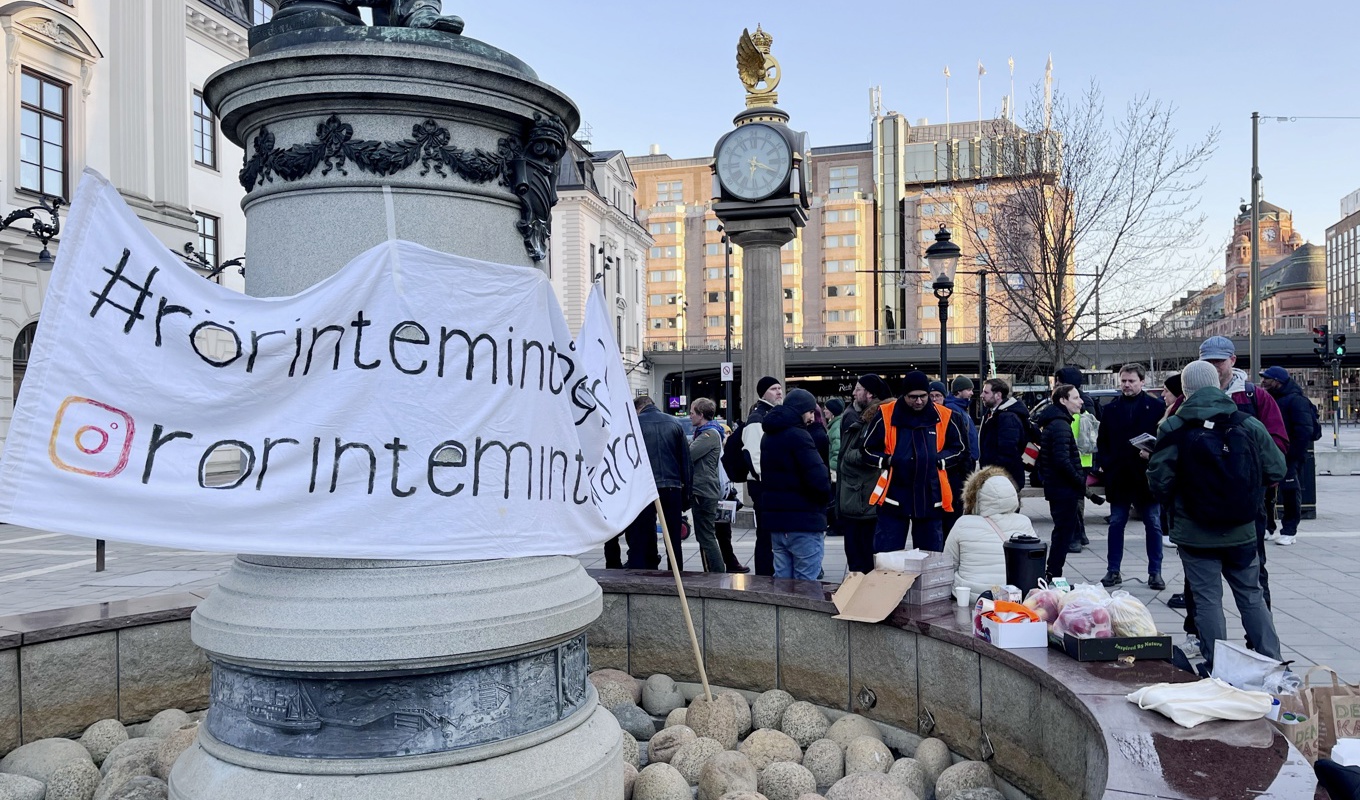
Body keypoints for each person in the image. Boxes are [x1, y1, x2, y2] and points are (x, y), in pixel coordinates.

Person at [1147, 360, 1285, 671]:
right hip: (1242, 530)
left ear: (1186, 390)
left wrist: (1177, 503)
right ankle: (1272, 662)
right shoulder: (1247, 423)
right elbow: (1277, 468)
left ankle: (1219, 666)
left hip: (1194, 531)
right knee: (1251, 594)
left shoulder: (1174, 426)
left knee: (1207, 599)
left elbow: (1159, 480)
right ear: (1218, 385)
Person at [1198, 336, 1288, 609]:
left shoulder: (1255, 397)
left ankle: (1261, 639)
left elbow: (1278, 443)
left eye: (1219, 361)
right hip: (1202, 499)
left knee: (1254, 570)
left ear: (1232, 361)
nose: (1214, 368)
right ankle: (1199, 635)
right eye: (1208, 362)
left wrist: (1257, 479)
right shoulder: (1190, 398)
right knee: (1200, 581)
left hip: (1247, 500)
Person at [863, 370, 967, 553]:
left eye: (923, 396)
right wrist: (888, 461)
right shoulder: (886, 414)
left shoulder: (947, 416)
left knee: (930, 558)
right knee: (887, 558)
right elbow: (866, 449)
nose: (918, 401)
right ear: (904, 395)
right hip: (893, 497)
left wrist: (938, 461)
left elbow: (960, 449)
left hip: (931, 496)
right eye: (913, 397)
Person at [1095, 364, 1167, 590]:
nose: (1126, 385)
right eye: (1123, 381)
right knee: (1116, 523)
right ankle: (1113, 570)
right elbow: (1102, 441)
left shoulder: (1156, 407)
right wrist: (1107, 465)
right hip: (1119, 475)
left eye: (1131, 381)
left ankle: (1155, 572)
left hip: (1146, 476)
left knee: (1153, 524)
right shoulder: (1111, 408)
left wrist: (1153, 454)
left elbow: (1164, 440)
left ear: (1142, 382)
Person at [759, 388, 832, 580]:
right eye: (809, 412)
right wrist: (824, 501)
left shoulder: (768, 436)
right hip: (804, 521)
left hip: (777, 523)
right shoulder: (799, 436)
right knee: (806, 585)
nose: (811, 417)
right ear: (801, 410)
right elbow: (818, 479)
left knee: (783, 583)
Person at [944, 466, 1033, 603]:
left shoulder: (963, 523)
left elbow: (948, 565)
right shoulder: (1024, 522)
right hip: (1012, 595)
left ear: (975, 497)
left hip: (972, 595)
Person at [623, 396, 692, 570]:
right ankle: (675, 571)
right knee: (674, 537)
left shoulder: (634, 424)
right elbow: (686, 461)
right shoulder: (674, 423)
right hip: (672, 486)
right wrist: (687, 494)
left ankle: (644, 570)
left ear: (638, 409)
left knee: (641, 534)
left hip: (644, 488)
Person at [836, 374, 892, 572]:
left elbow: (866, 454)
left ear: (869, 394)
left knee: (862, 559)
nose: (853, 393)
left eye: (858, 389)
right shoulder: (866, 417)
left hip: (864, 498)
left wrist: (849, 455)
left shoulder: (877, 419)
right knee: (859, 556)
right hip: (859, 497)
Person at [1260, 366, 1319, 546]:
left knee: (1290, 490)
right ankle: (1268, 527)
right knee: (1266, 491)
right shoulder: (1269, 399)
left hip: (1289, 455)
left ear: (1278, 381)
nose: (1263, 382)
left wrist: (1292, 455)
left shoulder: (1296, 401)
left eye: (1267, 379)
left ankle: (1289, 530)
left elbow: (1304, 431)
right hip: (1271, 453)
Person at [1036, 384, 1086, 580]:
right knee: (1063, 534)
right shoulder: (1060, 425)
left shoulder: (1057, 422)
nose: (1080, 401)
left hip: (1060, 487)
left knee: (1063, 532)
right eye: (1075, 398)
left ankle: (1054, 573)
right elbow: (1062, 460)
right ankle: (1054, 574)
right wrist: (1079, 480)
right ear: (1063, 401)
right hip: (1063, 489)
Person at [741, 376, 783, 576]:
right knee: (765, 535)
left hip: (767, 484)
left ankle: (768, 572)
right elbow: (753, 456)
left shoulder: (771, 414)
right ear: (763, 392)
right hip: (764, 486)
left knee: (770, 533)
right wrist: (770, 480)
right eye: (774, 389)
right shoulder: (758, 417)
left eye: (780, 388)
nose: (779, 392)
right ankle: (765, 575)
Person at [688, 398, 729, 572]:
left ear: (701, 414)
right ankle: (714, 571)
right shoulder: (709, 432)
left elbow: (689, 454)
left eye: (692, 412)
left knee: (706, 535)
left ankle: (717, 572)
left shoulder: (709, 434)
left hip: (704, 490)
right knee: (705, 535)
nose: (689, 415)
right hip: (705, 489)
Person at [979, 378, 1029, 491]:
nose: (982, 395)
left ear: (998, 395)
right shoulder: (994, 414)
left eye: (986, 392)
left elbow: (1008, 452)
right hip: (999, 478)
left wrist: (994, 474)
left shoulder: (1007, 417)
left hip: (1003, 480)